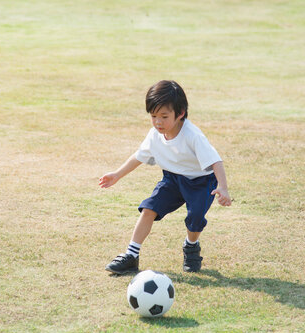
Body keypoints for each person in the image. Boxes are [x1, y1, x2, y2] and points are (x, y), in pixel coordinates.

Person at [99, 80, 232, 274]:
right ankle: (131, 255)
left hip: (200, 182)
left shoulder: (192, 135)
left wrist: (223, 187)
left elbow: (215, 161)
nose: (158, 122)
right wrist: (117, 175)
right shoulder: (154, 135)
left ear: (180, 114)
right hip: (172, 180)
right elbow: (139, 156)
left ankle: (191, 246)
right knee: (148, 209)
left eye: (164, 116)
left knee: (195, 218)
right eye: (153, 116)